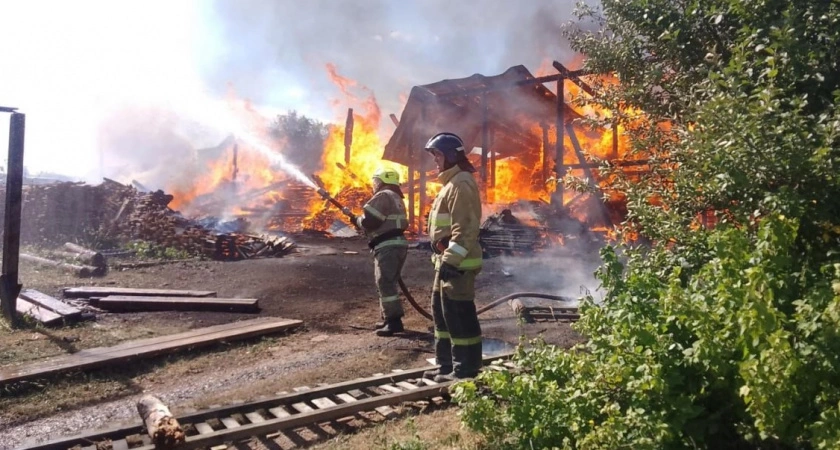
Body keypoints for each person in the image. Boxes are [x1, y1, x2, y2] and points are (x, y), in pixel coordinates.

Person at [422, 132, 483, 382]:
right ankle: (446, 365)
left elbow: (466, 228)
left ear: (449, 155)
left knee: (459, 315)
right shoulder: (450, 183)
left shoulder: (461, 183)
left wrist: (451, 260)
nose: (435, 159)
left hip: (458, 264)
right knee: (442, 314)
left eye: (437, 154)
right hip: (445, 262)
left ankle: (465, 370)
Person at [343, 167, 409, 336]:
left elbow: (370, 221)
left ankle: (394, 322)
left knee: (385, 282)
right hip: (395, 244)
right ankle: (388, 318)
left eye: (375, 182)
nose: (374, 185)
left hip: (387, 245)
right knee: (388, 281)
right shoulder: (396, 197)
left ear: (380, 181)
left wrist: (356, 219)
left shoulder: (382, 195)